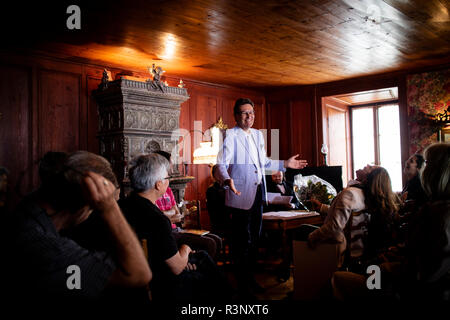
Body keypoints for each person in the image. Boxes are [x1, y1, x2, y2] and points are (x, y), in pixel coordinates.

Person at [2, 151, 151, 302]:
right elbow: (140, 274)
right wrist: (110, 208)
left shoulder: (26, 209)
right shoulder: (48, 249)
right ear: (84, 206)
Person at [215, 97, 308, 295]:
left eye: (252, 113)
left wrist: (285, 164)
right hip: (238, 193)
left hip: (258, 193)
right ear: (236, 116)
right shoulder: (230, 135)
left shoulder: (258, 135)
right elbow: (221, 164)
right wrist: (226, 179)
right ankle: (242, 286)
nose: (249, 117)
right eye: (244, 113)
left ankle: (250, 280)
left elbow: (264, 163)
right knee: (241, 243)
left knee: (255, 240)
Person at [119, 153, 230, 301]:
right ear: (158, 184)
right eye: (167, 178)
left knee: (201, 257)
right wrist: (185, 248)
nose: (168, 181)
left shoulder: (123, 205)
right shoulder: (157, 219)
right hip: (159, 281)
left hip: (133, 269)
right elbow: (176, 267)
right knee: (207, 272)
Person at [307, 165, 400, 268]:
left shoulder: (351, 193)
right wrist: (322, 207)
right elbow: (349, 215)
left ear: (367, 177)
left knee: (302, 230)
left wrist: (312, 237)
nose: (365, 166)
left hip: (339, 249)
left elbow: (334, 227)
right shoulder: (369, 197)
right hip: (363, 254)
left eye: (369, 167)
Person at [403, 142, 450, 300]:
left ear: (437, 171)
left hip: (423, 292)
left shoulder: (434, 212)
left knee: (370, 272)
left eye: (427, 163)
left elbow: (422, 270)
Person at [155, 150, 222, 260]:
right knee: (210, 243)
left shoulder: (168, 189)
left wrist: (167, 215)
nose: (172, 169)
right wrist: (171, 214)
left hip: (177, 230)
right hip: (168, 233)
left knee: (217, 239)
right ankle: (197, 271)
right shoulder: (153, 189)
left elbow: (177, 215)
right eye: (170, 165)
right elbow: (160, 217)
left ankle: (200, 268)